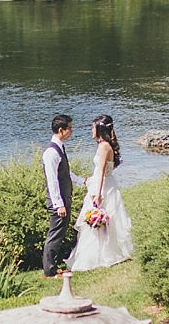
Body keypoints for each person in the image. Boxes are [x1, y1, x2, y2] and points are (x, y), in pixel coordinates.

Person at [65, 114, 134, 271]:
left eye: (93, 127)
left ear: (100, 129)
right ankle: (102, 253)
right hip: (106, 183)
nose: (91, 130)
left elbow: (102, 171)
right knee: (106, 220)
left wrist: (98, 192)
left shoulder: (103, 147)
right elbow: (109, 168)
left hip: (102, 187)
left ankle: (98, 257)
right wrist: (93, 178)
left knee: (98, 221)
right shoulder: (107, 145)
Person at [41, 112, 75, 279]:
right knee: (54, 234)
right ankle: (49, 271)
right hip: (58, 200)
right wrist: (58, 204)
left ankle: (54, 266)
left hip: (63, 198)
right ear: (60, 130)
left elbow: (66, 173)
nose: (71, 132)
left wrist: (82, 181)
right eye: (69, 128)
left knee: (59, 234)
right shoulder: (51, 153)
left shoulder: (59, 148)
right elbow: (52, 180)